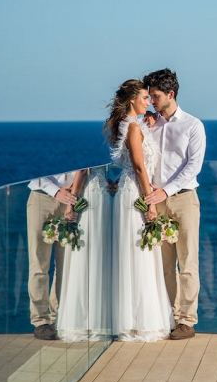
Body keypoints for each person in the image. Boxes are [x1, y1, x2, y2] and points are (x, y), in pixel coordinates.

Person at [106, 79, 173, 341]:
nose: (150, 102)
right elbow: (138, 167)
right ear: (133, 100)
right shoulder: (133, 128)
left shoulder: (137, 124)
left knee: (141, 254)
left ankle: (136, 318)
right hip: (135, 194)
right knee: (137, 253)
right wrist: (150, 201)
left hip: (134, 190)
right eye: (145, 98)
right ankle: (134, 322)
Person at [143, 68, 206, 340]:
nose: (151, 101)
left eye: (155, 96)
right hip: (155, 203)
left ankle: (186, 321)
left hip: (183, 200)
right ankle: (168, 317)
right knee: (164, 264)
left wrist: (165, 192)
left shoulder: (193, 125)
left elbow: (193, 167)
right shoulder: (149, 124)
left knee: (188, 261)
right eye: (148, 96)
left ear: (171, 94)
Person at [56, 167, 112, 342]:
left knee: (83, 257)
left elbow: (81, 171)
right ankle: (100, 319)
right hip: (101, 194)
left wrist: (70, 205)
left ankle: (82, 320)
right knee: (100, 257)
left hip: (88, 196)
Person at [26, 169, 79, 339]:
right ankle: (40, 321)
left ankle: (58, 317)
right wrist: (56, 191)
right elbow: (32, 165)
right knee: (39, 262)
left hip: (72, 199)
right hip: (42, 198)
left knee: (64, 264)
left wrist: (71, 196)